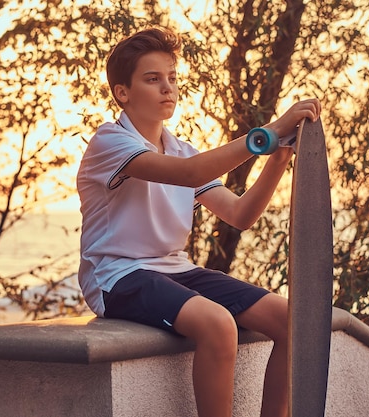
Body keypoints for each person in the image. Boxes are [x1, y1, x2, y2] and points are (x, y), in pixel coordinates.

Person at [76, 27, 321, 417]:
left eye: (172, 78)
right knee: (218, 325)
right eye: (152, 79)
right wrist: (270, 132)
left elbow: (240, 215)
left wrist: (277, 158)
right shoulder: (111, 142)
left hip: (174, 270)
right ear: (123, 92)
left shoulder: (180, 149)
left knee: (291, 321)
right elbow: (190, 174)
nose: (167, 88)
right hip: (117, 277)